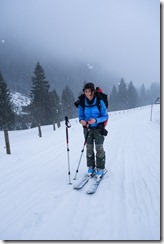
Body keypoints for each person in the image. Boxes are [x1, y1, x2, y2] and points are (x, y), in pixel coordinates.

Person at [77, 82, 108, 178]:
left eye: (89, 91)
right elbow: (80, 116)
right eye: (85, 91)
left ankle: (100, 168)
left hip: (98, 128)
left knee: (99, 148)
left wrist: (96, 120)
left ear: (93, 91)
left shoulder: (99, 101)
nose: (87, 93)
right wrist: (82, 121)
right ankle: (91, 167)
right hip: (87, 129)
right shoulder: (82, 102)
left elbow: (105, 116)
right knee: (89, 148)